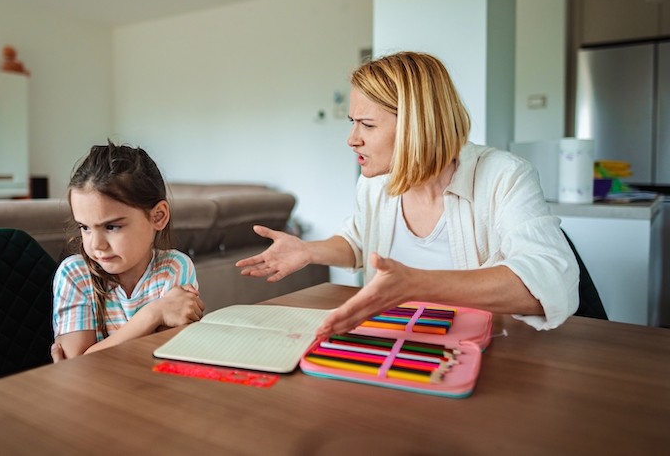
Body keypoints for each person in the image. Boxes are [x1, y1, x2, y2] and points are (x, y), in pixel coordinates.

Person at [237, 51, 579, 337]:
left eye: (367, 125)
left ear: (418, 125)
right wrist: (308, 250)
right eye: (352, 122)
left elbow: (552, 279)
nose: (352, 138)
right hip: (397, 341)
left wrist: (416, 284)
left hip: (483, 351)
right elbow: (358, 241)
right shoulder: (375, 183)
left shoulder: (504, 176)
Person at [51, 142, 204, 361]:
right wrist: (153, 314)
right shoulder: (75, 275)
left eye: (112, 227)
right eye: (85, 227)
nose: (96, 245)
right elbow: (78, 365)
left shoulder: (175, 267)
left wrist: (95, 353)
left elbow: (168, 355)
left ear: (158, 216)